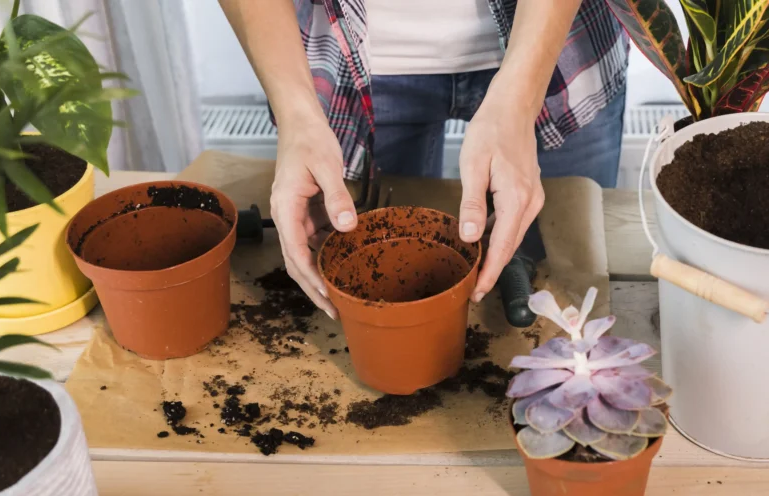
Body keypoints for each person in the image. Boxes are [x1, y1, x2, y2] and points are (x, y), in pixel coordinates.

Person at [219, 0, 628, 320]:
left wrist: (522, 96)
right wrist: (296, 114)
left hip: (559, 45)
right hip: (357, 63)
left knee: (566, 275)